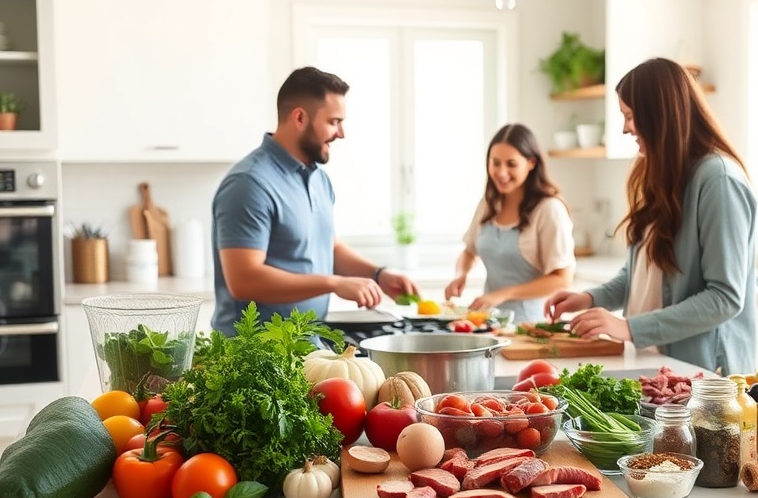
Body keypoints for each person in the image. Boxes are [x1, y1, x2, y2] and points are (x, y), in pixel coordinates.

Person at [544, 58, 757, 376]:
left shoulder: (718, 180)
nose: (625, 128)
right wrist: (589, 298)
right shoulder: (660, 175)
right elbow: (639, 274)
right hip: (655, 367)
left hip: (703, 375)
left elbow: (724, 298)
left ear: (659, 114)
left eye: (630, 116)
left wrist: (628, 327)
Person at [210, 66, 419, 335]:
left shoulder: (319, 179)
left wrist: (378, 274)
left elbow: (328, 247)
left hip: (307, 340)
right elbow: (244, 280)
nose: (341, 133)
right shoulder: (249, 183)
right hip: (254, 348)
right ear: (299, 118)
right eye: (334, 122)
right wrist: (333, 283)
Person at [444, 123, 576, 323]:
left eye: (511, 164)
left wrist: (504, 294)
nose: (501, 172)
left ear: (531, 163)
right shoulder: (488, 203)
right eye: (495, 163)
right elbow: (469, 251)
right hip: (490, 323)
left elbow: (562, 278)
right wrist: (461, 275)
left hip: (530, 326)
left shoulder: (549, 209)